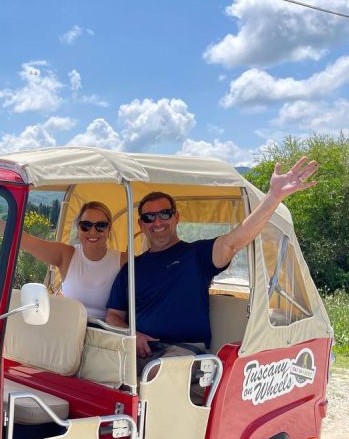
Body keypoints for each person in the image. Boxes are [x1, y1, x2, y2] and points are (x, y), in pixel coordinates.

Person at [105, 157, 318, 366]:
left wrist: (274, 196)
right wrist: (132, 335)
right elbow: (113, 316)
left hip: (184, 350)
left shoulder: (197, 254)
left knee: (158, 379)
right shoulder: (131, 269)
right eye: (150, 217)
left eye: (164, 213)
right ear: (141, 224)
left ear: (176, 217)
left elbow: (236, 240)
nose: (158, 221)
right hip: (138, 348)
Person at [0, 196, 126, 319]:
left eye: (101, 226)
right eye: (86, 226)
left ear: (109, 228)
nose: (93, 232)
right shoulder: (66, 255)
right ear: (78, 227)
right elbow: (23, 240)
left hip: (106, 341)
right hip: (68, 335)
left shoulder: (123, 261)